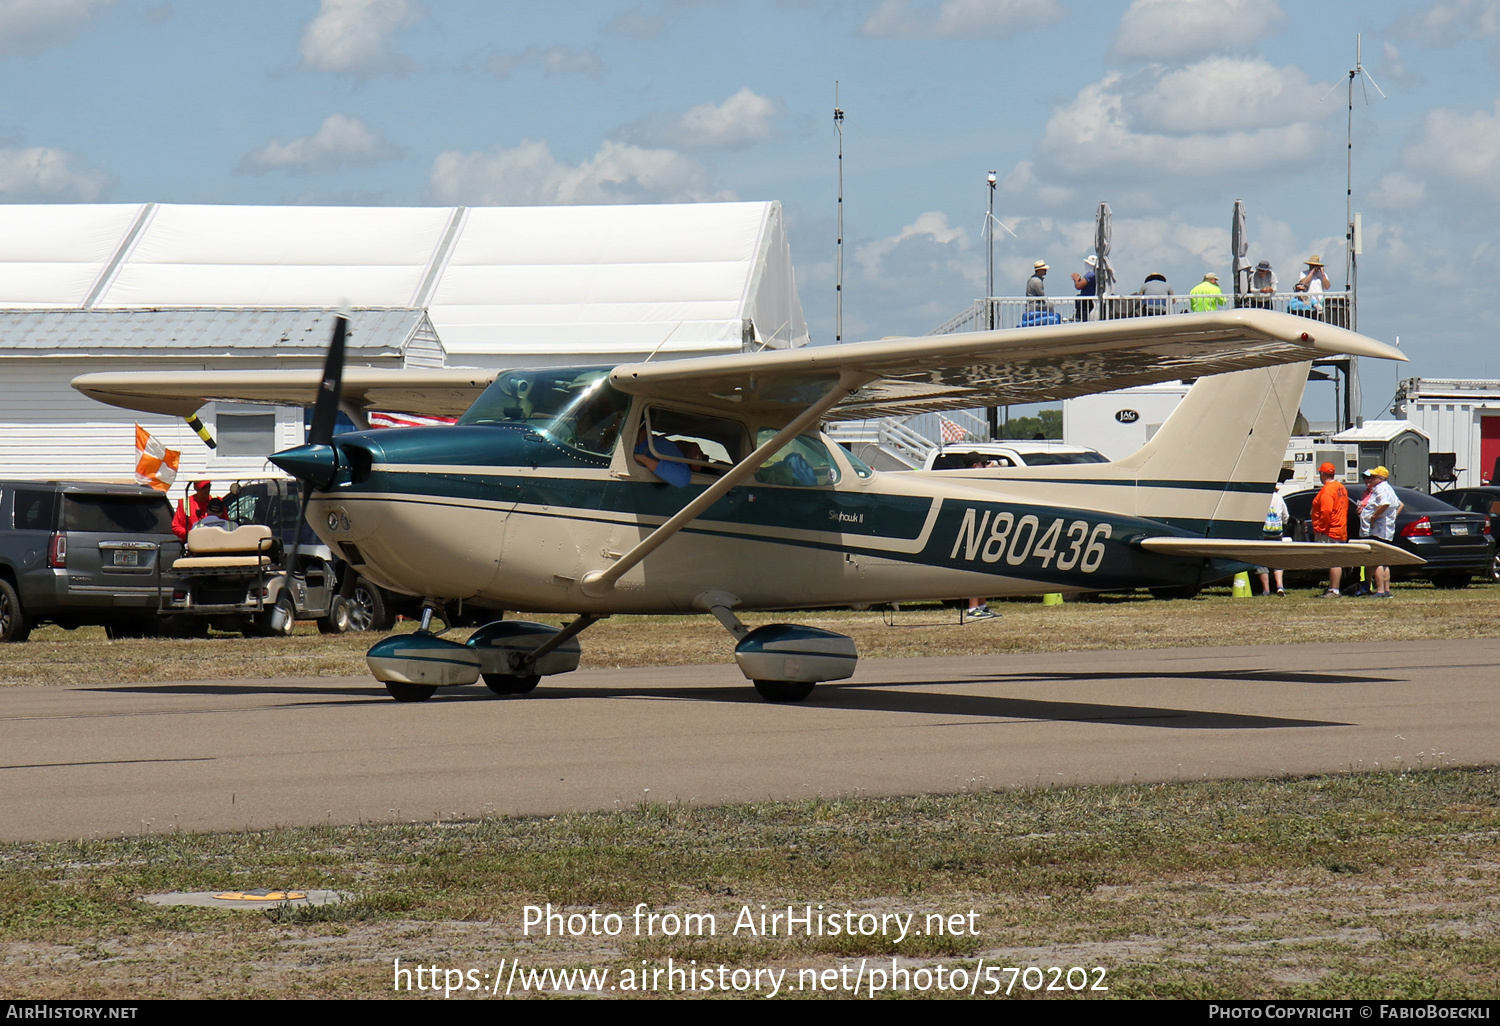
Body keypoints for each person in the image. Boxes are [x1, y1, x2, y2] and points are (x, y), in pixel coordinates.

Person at [1359, 466, 1401, 598]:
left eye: (1374, 476)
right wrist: (1391, 517)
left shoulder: (1381, 488)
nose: (1371, 478)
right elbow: (1399, 504)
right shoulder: (1388, 488)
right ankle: (1387, 590)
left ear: (1381, 478)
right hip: (1386, 529)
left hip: (1378, 530)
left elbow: (1385, 503)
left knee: (1375, 560)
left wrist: (1374, 517)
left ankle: (1380, 591)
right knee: (1383, 561)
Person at [1311, 461, 1348, 596]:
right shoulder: (1340, 487)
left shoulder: (1327, 490)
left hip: (1330, 530)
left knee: (1333, 560)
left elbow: (1326, 511)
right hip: (1340, 528)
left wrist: (1320, 528)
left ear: (1322, 473)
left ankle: (1333, 589)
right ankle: (1334, 588)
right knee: (1336, 559)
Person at [1256, 488, 1290, 596]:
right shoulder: (1278, 497)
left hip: (1263, 532)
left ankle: (1266, 590)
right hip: (1276, 533)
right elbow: (1286, 516)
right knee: (1277, 559)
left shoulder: (1261, 497)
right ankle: (1280, 586)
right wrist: (1282, 523)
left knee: (1262, 560)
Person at [1071, 255, 1097, 322]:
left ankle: (1079, 317)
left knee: (1084, 317)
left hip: (1087, 301)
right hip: (1090, 300)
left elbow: (1079, 286)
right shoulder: (1095, 274)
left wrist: (1076, 279)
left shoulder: (1091, 274)